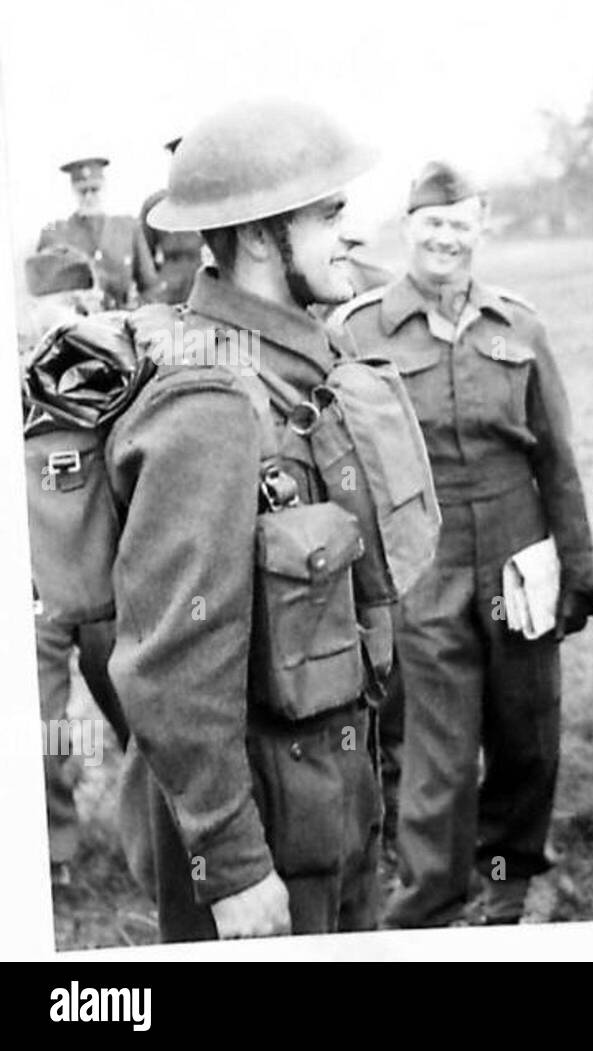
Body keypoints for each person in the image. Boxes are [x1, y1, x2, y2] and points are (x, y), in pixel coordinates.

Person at [110, 99, 407, 941]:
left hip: (328, 808)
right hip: (260, 839)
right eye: (329, 215)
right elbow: (168, 663)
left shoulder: (301, 367)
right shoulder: (210, 401)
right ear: (253, 236)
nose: (349, 235)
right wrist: (230, 862)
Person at [337, 161, 593, 927]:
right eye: (431, 223)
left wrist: (577, 565)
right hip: (426, 557)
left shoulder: (518, 324)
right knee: (438, 749)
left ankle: (513, 872)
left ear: (481, 229)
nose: (445, 237)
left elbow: (556, 455)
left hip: (520, 550)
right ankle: (427, 902)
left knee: (528, 731)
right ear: (407, 229)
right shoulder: (360, 329)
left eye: (460, 223)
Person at [21, 247, 129, 888]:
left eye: (81, 303)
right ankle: (55, 851)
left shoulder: (118, 369)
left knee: (143, 713)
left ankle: (169, 838)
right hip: (38, 586)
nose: (69, 319)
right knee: (42, 724)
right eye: (56, 307)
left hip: (111, 581)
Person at [38, 157, 160, 309]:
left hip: (122, 321)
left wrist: (137, 311)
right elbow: (47, 295)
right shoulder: (57, 234)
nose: (89, 197)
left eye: (94, 190)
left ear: (105, 188)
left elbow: (150, 287)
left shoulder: (128, 228)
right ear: (73, 191)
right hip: (79, 326)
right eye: (82, 191)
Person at [139, 138, 206, 305]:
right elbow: (145, 257)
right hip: (169, 288)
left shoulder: (210, 202)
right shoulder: (155, 205)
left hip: (205, 284)